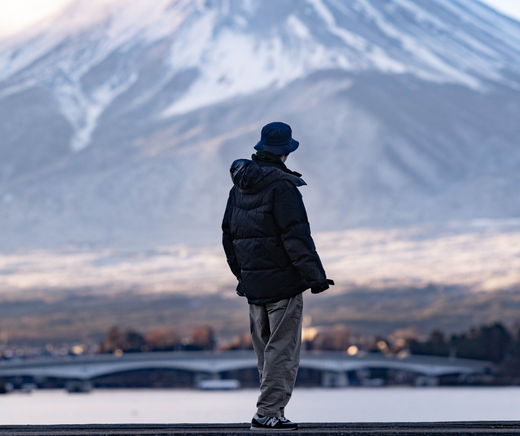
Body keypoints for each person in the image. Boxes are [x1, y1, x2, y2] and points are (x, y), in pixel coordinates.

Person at [222, 122, 333, 431]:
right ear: (285, 152)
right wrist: (316, 278)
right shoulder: (282, 187)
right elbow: (295, 236)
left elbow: (228, 235)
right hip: (283, 285)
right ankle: (268, 413)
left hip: (254, 286)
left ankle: (270, 411)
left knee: (266, 353)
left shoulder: (238, 187)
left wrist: (243, 275)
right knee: (282, 351)